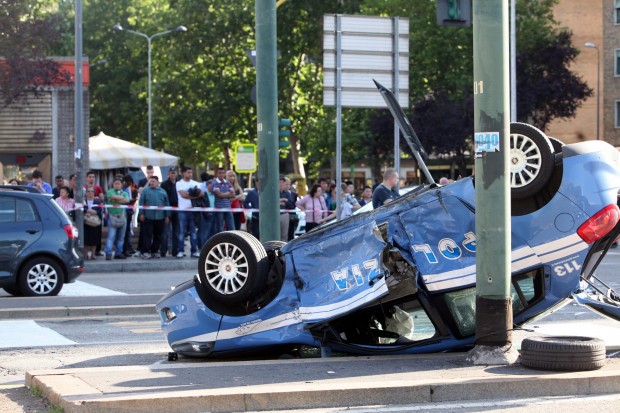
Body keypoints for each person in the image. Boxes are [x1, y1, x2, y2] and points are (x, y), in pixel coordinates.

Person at [138, 176, 170, 259]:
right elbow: (141, 203)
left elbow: (167, 204)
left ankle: (155, 251)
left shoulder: (163, 191)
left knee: (158, 235)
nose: (151, 183)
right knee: (147, 235)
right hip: (148, 216)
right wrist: (141, 213)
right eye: (150, 181)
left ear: (157, 182)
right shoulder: (145, 191)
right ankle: (145, 251)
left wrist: (167, 215)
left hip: (160, 217)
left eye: (153, 181)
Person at [176, 166, 202, 258]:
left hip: (193, 210)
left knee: (193, 232)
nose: (190, 174)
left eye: (191, 172)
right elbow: (183, 195)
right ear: (183, 173)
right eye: (188, 172)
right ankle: (180, 250)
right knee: (181, 232)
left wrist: (192, 195)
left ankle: (194, 251)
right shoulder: (179, 183)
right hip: (182, 210)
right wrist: (195, 196)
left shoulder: (195, 183)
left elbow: (201, 193)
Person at [104, 178, 130, 260]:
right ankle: (108, 253)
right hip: (112, 217)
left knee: (121, 237)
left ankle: (118, 253)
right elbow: (111, 196)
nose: (117, 185)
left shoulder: (125, 192)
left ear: (122, 185)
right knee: (111, 236)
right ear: (113, 184)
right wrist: (120, 199)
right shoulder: (110, 191)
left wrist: (115, 199)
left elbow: (127, 200)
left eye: (119, 183)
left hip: (123, 217)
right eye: (115, 183)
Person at [160, 167, 179, 258]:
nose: (173, 175)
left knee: (176, 232)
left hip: (178, 209)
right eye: (171, 173)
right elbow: (163, 198)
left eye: (174, 173)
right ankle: (163, 251)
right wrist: (166, 213)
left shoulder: (179, 183)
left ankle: (175, 251)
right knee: (165, 232)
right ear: (168, 174)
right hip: (167, 208)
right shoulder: (164, 184)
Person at [212, 168, 235, 233]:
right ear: (217, 174)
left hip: (228, 208)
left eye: (223, 173)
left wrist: (223, 194)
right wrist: (229, 193)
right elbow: (219, 195)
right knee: (220, 228)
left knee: (232, 227)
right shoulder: (214, 183)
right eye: (220, 173)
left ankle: (232, 241)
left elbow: (233, 195)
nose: (221, 174)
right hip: (219, 208)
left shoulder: (227, 183)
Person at [83, 187, 102, 260]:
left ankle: (93, 254)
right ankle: (85, 254)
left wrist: (89, 211)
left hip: (95, 222)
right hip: (86, 222)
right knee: (86, 239)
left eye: (92, 191)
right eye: (88, 191)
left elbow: (98, 211)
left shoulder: (97, 201)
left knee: (95, 239)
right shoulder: (84, 201)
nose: (90, 193)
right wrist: (87, 211)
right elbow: (83, 210)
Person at [198, 173, 218, 246]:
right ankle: (204, 248)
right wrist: (207, 213)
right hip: (207, 216)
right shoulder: (204, 194)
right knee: (205, 233)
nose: (213, 186)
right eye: (211, 185)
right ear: (207, 186)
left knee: (213, 233)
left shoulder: (215, 194)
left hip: (214, 215)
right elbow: (202, 205)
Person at [122, 175, 138, 257]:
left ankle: (127, 248)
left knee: (128, 231)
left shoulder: (131, 189)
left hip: (129, 212)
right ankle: (124, 250)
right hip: (123, 213)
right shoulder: (122, 190)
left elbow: (133, 199)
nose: (128, 184)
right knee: (124, 232)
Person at [279, 176, 295, 242]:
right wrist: (281, 200)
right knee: (276, 234)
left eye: (282, 182)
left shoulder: (287, 193)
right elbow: (272, 202)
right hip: (275, 215)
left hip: (285, 215)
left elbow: (291, 205)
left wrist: (285, 201)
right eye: (279, 182)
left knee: (284, 235)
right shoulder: (273, 192)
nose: (281, 184)